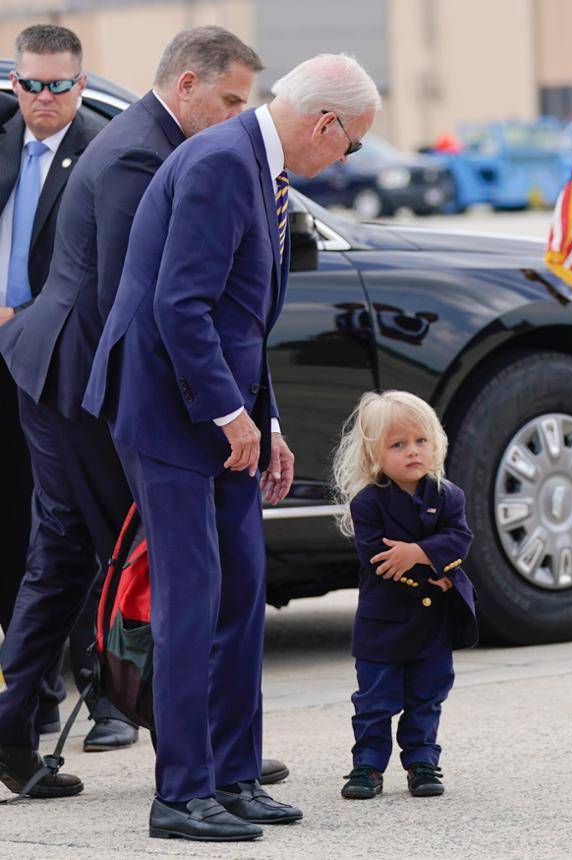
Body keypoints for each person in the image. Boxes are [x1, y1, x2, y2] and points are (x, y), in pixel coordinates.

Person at [83, 53, 380, 842]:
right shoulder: (220, 163)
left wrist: (268, 421)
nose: (345, 161)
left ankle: (234, 776)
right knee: (192, 600)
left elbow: (238, 320)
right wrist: (227, 414)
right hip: (165, 411)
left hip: (215, 413)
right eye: (350, 146)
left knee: (242, 592)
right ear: (326, 124)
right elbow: (181, 307)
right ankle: (181, 795)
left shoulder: (260, 167)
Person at [0, 26, 286, 798]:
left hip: (60, 367)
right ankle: (206, 751)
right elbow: (136, 301)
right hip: (78, 374)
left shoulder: (150, 138)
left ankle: (12, 733)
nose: (236, 118)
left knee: (65, 557)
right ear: (187, 85)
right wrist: (185, 412)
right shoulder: (141, 153)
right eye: (228, 100)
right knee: (155, 560)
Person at [0, 24, 108, 739]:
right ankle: (30, 698)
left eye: (59, 85)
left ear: (80, 81)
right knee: (15, 524)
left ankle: (108, 698)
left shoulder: (105, 151)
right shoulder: (3, 140)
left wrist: (28, 316)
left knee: (74, 524)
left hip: (59, 363)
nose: (45, 98)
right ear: (16, 83)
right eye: (32, 84)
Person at [332, 390, 478, 801]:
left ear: (435, 445)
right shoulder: (369, 503)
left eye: (420, 442)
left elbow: (459, 539)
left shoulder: (449, 497)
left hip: (434, 623)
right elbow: (376, 556)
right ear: (375, 455)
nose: (412, 452)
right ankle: (367, 766)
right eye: (398, 445)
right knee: (374, 698)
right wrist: (432, 566)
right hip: (385, 621)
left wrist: (419, 553)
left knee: (428, 694)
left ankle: (422, 761)